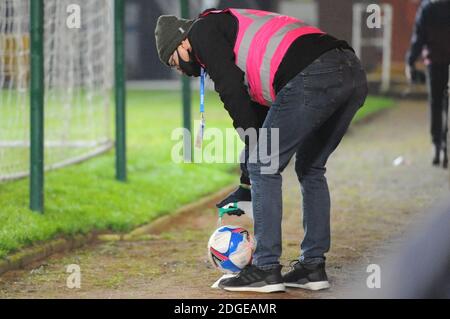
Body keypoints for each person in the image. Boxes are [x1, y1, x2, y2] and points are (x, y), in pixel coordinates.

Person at [155, 8, 368, 293]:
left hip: (314, 71)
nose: (180, 70)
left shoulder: (201, 31)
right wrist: (246, 183)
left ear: (182, 43)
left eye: (174, 62)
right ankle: (312, 267)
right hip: (350, 71)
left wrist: (255, 165)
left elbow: (230, 90)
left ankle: (265, 268)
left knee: (263, 164)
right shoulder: (230, 39)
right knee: (310, 168)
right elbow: (257, 119)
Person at [406, 0, 450, 168]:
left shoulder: (427, 8)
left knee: (436, 103)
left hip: (434, 61)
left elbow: (419, 37)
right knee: (446, 104)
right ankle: (446, 145)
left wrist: (410, 62)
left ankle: (437, 145)